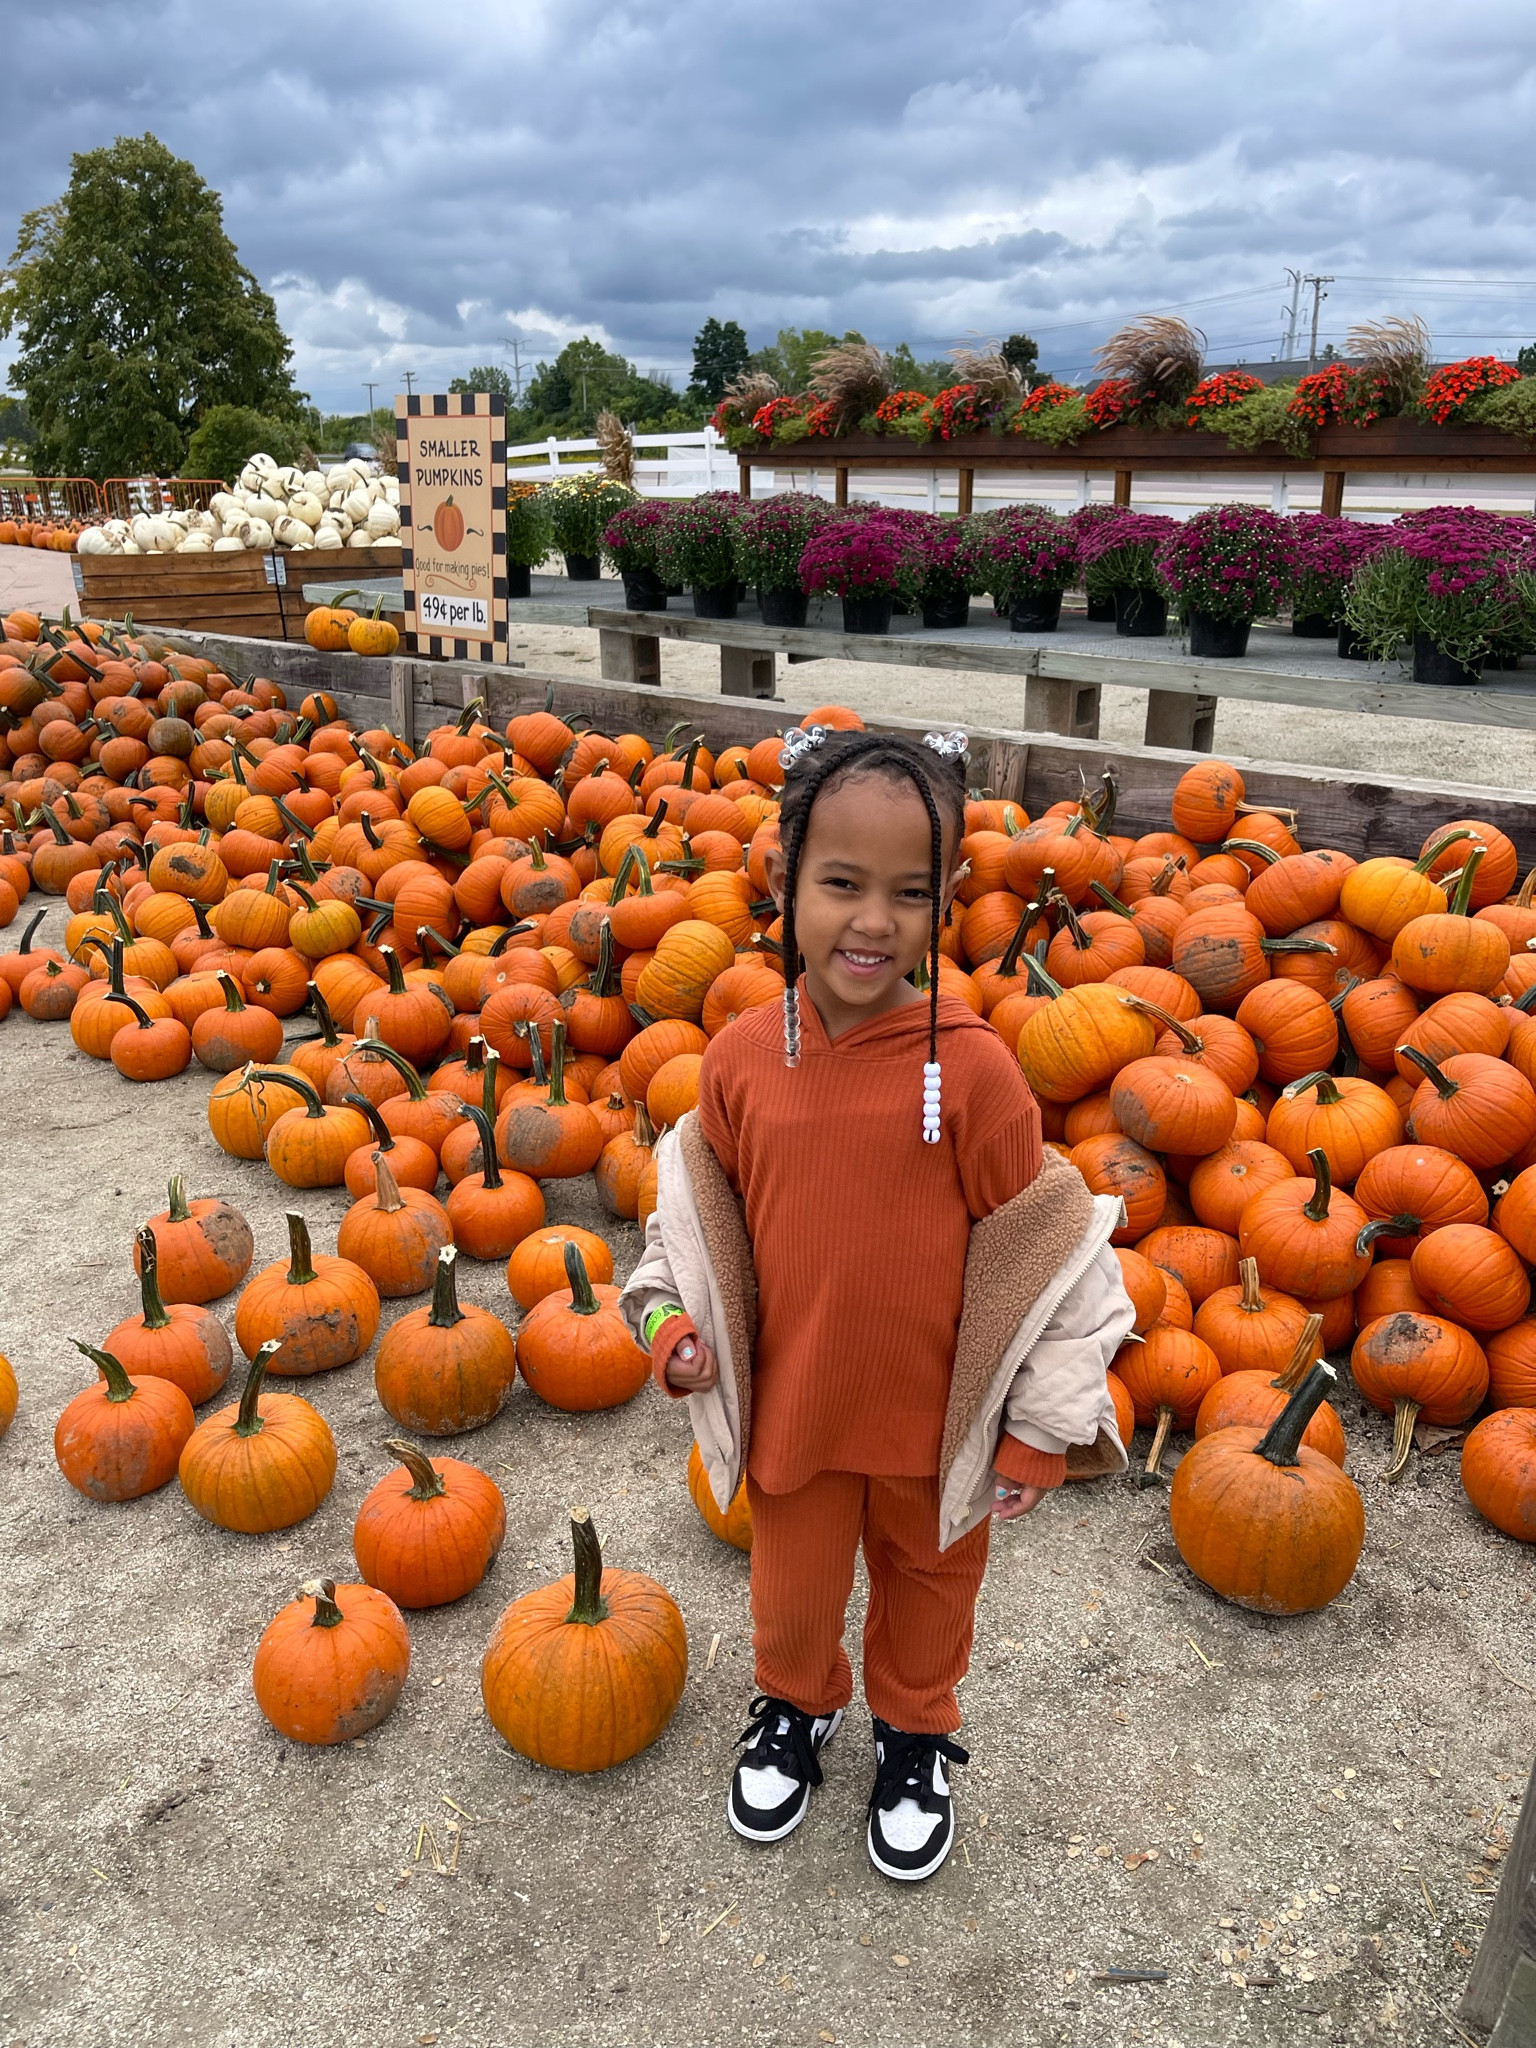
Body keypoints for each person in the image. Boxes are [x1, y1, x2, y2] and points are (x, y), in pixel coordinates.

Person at [620, 725, 1133, 1883]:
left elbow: (1051, 1259)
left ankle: (913, 1731)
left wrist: (1042, 1425)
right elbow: (690, 1233)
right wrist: (671, 1329)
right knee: (792, 1593)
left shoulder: (980, 1070)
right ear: (782, 878)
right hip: (798, 1408)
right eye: (842, 882)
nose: (873, 919)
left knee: (931, 1592)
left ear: (948, 898)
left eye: (909, 892)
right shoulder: (738, 1062)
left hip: (933, 1423)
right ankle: (796, 1704)